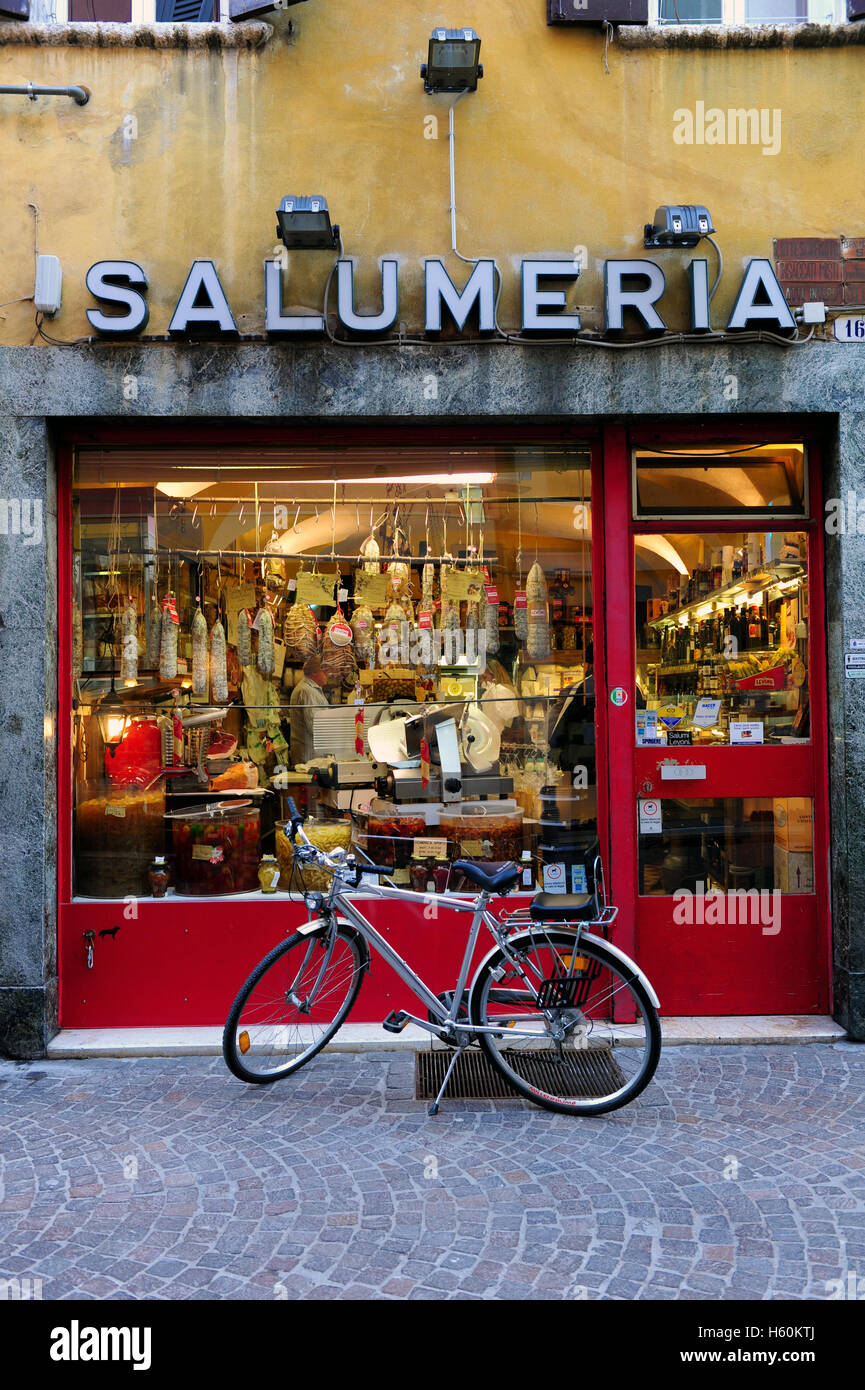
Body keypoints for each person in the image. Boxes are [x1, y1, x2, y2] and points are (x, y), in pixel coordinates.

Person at [289, 654, 330, 766]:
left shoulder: (313, 689)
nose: (328, 674)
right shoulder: (307, 691)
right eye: (324, 671)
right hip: (308, 758)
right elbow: (315, 726)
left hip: (312, 757)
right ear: (314, 672)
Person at [480, 658, 520, 733]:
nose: (481, 681)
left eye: (484, 677)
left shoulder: (503, 691)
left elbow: (509, 721)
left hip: (501, 735)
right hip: (494, 733)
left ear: (494, 675)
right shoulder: (492, 691)